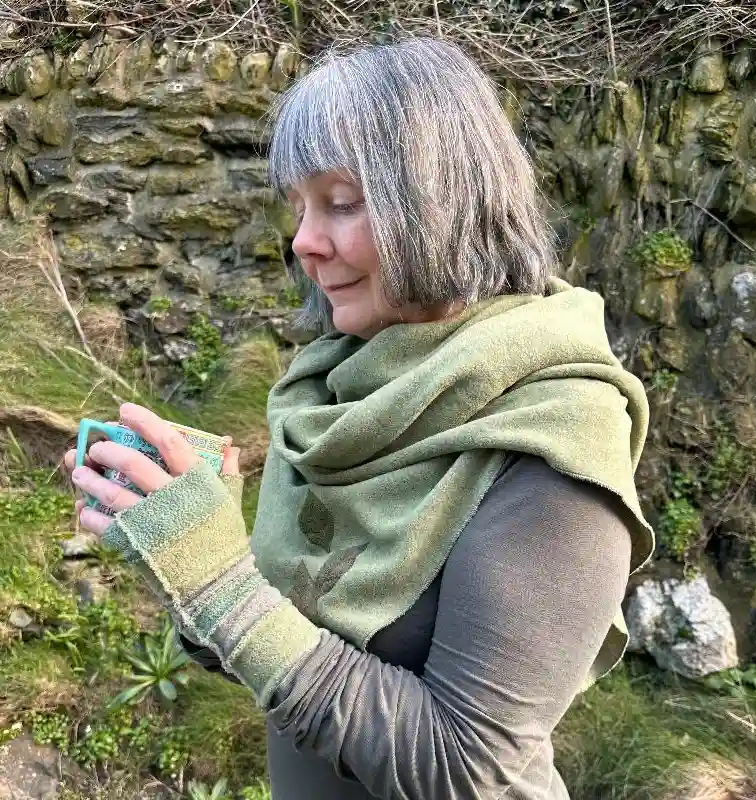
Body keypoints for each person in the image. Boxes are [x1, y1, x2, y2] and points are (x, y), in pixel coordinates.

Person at [66, 37, 654, 800]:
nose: (304, 243)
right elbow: (278, 641)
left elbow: (466, 767)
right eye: (300, 207)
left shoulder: (553, 450)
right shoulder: (337, 389)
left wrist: (220, 585)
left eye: (341, 203)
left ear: (443, 204)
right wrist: (182, 553)